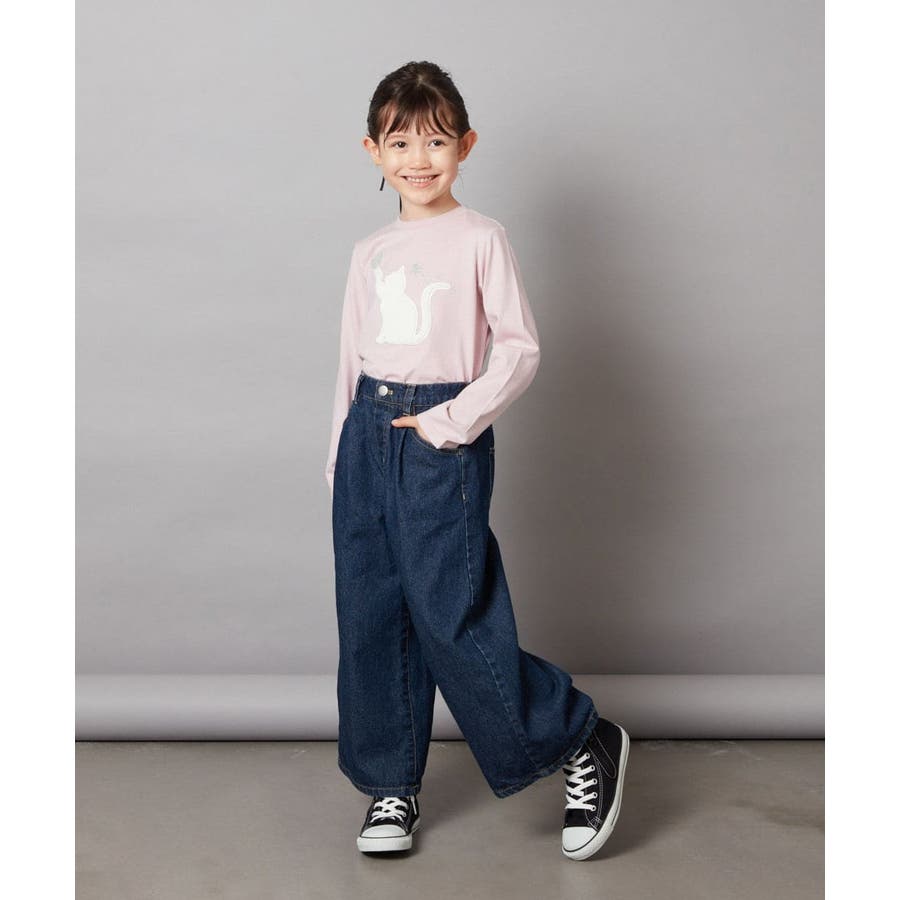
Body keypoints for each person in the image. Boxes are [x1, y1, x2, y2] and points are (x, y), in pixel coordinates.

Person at [325, 60, 629, 861]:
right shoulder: (370, 251)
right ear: (372, 151)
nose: (418, 159)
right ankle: (391, 783)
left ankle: (580, 737)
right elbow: (350, 361)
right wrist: (339, 461)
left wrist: (449, 424)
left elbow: (520, 348)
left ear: (466, 145)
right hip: (366, 439)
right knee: (371, 615)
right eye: (400, 143)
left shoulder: (481, 239)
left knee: (450, 616)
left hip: (439, 438)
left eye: (436, 141)